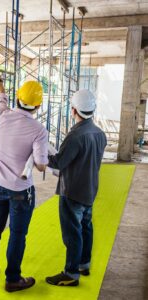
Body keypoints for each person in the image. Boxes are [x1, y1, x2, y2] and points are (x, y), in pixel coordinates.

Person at [0, 75, 48, 292]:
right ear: (38, 105)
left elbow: (0, 97)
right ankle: (12, 279)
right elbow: (40, 165)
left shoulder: (1, 115)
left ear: (17, 98)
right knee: (17, 234)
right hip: (20, 190)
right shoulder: (39, 130)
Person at [45, 89, 107, 286]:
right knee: (86, 227)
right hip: (89, 189)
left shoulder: (76, 136)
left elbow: (59, 162)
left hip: (72, 191)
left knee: (72, 233)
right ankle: (83, 264)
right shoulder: (99, 134)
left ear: (73, 110)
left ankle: (71, 274)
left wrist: (42, 155)